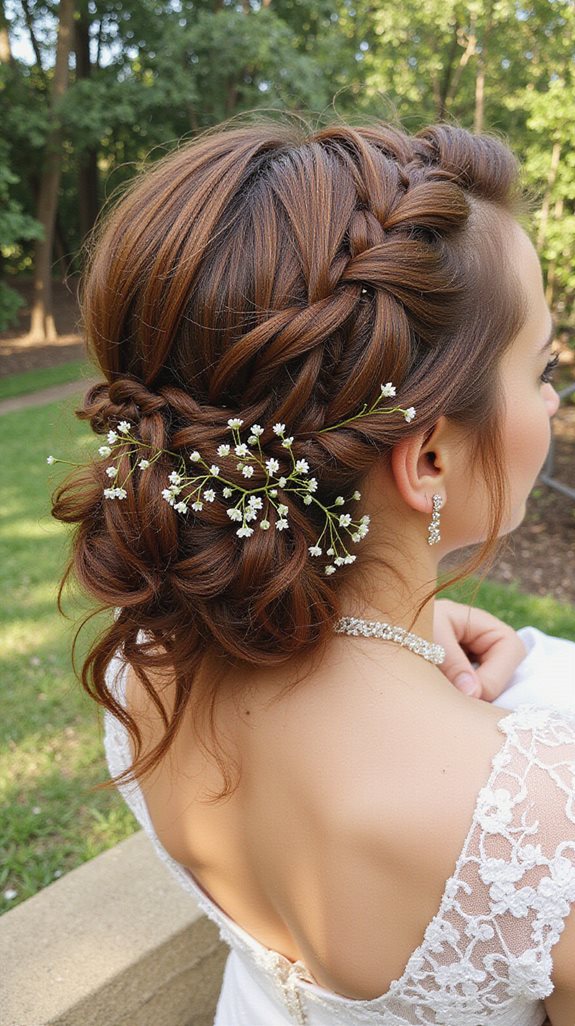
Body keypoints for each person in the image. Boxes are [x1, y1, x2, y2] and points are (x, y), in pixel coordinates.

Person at [51, 115, 575, 1025]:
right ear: (428, 461)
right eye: (539, 365)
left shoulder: (146, 668)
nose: (552, 399)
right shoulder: (538, 822)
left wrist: (408, 634)